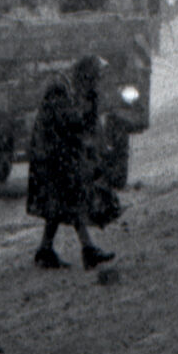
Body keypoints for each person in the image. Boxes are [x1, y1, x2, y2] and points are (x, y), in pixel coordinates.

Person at [27, 54, 115, 270]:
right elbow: (69, 124)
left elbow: (84, 128)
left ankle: (46, 250)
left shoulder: (75, 91)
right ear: (87, 77)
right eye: (96, 78)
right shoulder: (61, 89)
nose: (98, 83)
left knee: (58, 205)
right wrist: (89, 108)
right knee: (70, 200)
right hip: (51, 156)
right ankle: (87, 250)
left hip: (60, 155)